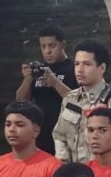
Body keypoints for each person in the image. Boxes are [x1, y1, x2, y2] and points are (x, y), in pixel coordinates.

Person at [52, 40, 111, 163]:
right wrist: (63, 165)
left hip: (102, 171)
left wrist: (96, 170)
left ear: (102, 68)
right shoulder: (70, 99)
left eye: (87, 64)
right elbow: (60, 136)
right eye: (77, 64)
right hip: (72, 171)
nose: (79, 70)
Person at [15, 22, 77, 155]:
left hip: (67, 135)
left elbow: (78, 101)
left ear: (63, 45)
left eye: (52, 46)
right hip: (40, 136)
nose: (47, 51)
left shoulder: (74, 69)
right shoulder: (39, 70)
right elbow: (20, 101)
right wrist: (27, 79)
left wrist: (55, 83)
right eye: (43, 46)